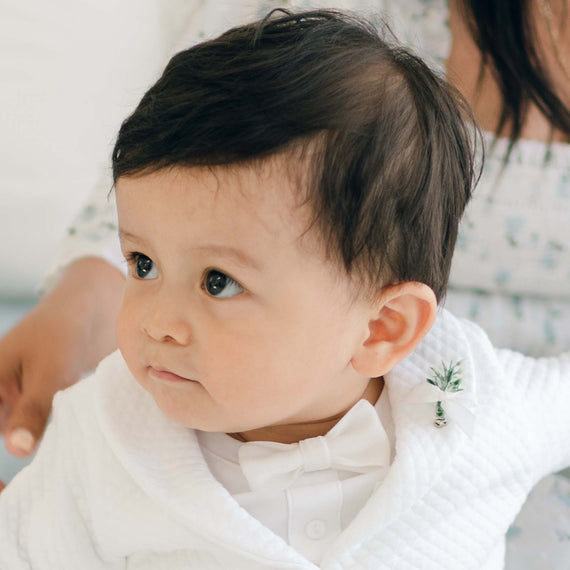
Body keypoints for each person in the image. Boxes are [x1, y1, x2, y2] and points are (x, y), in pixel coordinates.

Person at [2, 10, 570, 569]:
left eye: (218, 282)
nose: (155, 322)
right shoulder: (104, 435)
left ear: (381, 327)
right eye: (143, 264)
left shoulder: (482, 410)